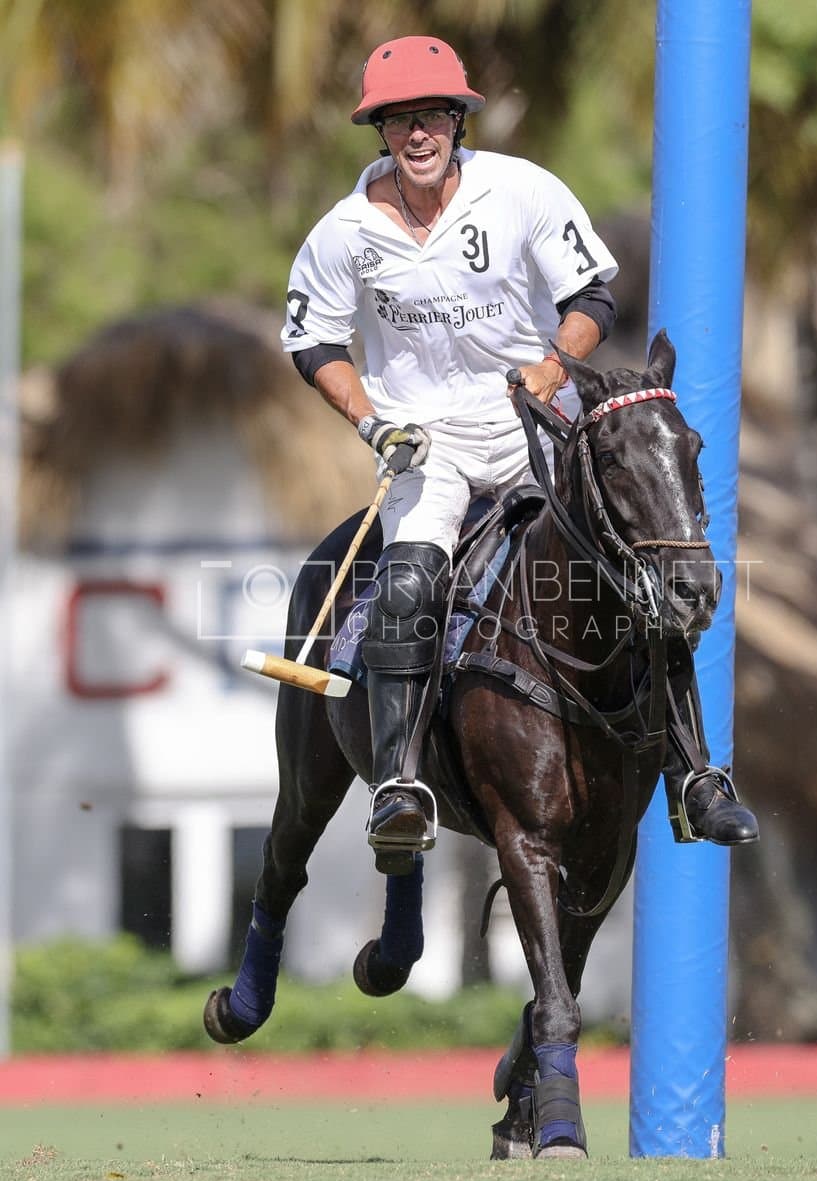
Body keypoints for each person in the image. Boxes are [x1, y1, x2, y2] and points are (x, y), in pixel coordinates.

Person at [281, 35, 758, 872]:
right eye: (399, 121)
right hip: (427, 439)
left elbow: (591, 297)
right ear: (381, 133)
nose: (418, 134)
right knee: (407, 582)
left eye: (434, 115)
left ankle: (696, 775)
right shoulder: (344, 232)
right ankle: (399, 785)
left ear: (459, 121)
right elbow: (313, 343)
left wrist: (549, 364)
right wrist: (369, 422)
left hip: (537, 420)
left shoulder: (524, 191)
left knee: (641, 566)